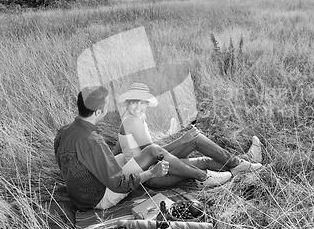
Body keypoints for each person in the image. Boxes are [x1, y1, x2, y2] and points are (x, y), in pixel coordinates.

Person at [54, 85, 238, 211]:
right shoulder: (92, 140)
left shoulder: (64, 132)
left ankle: (234, 164)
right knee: (154, 152)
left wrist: (107, 162)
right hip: (99, 197)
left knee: (175, 155)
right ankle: (204, 176)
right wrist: (151, 173)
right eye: (106, 106)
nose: (108, 109)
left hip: (83, 193)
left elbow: (88, 161)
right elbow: (118, 184)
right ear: (98, 112)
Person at [114, 82, 263, 189]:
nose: (138, 107)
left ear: (147, 105)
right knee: (199, 152)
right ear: (127, 103)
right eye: (134, 102)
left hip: (156, 166)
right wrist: (181, 141)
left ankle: (241, 164)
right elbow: (153, 153)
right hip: (152, 175)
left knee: (196, 143)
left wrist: (109, 167)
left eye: (142, 103)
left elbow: (118, 148)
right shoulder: (132, 121)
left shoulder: (133, 119)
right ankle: (243, 163)